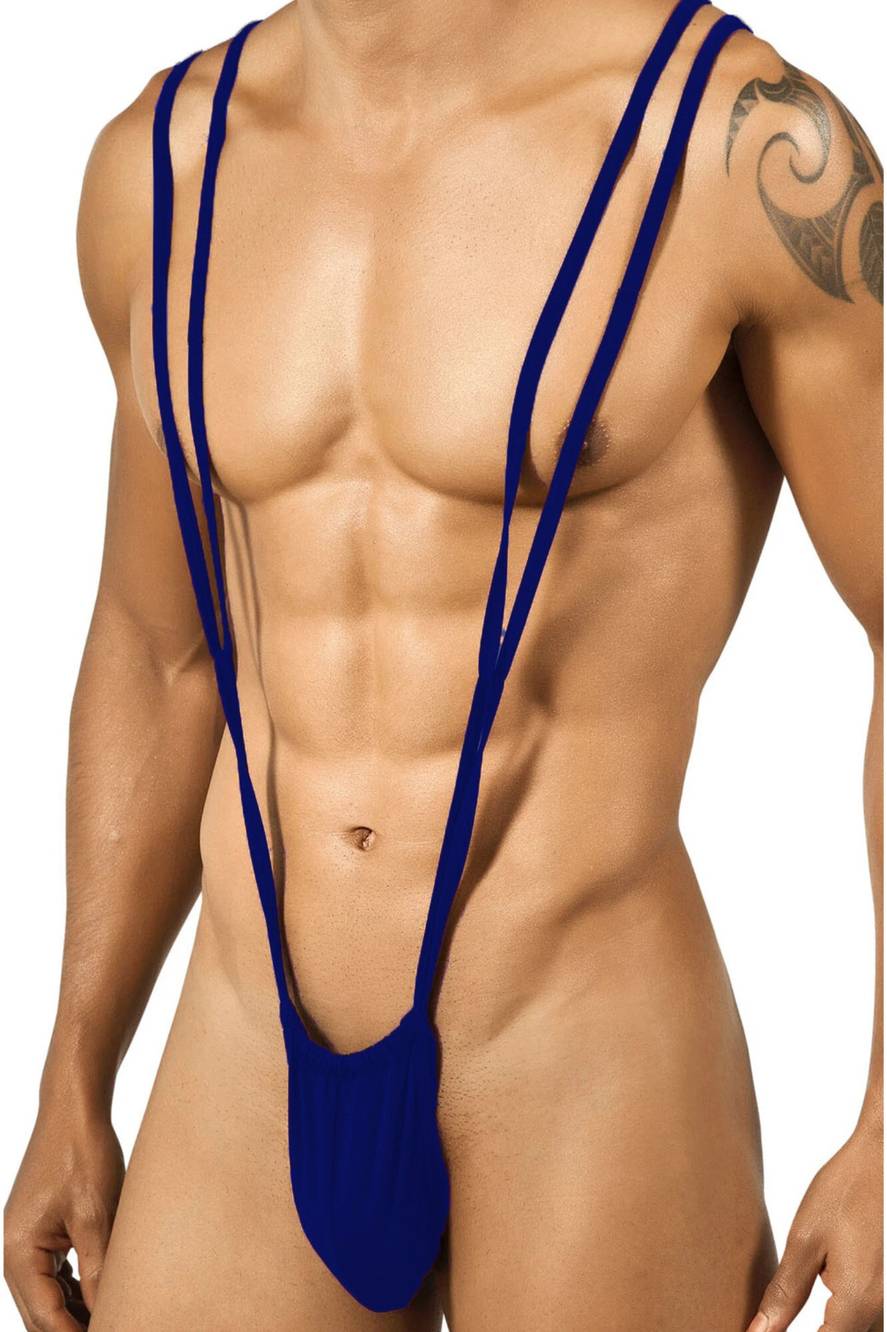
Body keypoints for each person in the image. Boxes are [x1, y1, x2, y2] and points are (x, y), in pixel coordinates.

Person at [4, 0, 883, 1328]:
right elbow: (159, 647)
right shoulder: (165, 164)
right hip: (249, 1040)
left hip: (580, 1043)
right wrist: (73, 1065)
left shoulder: (737, 146)